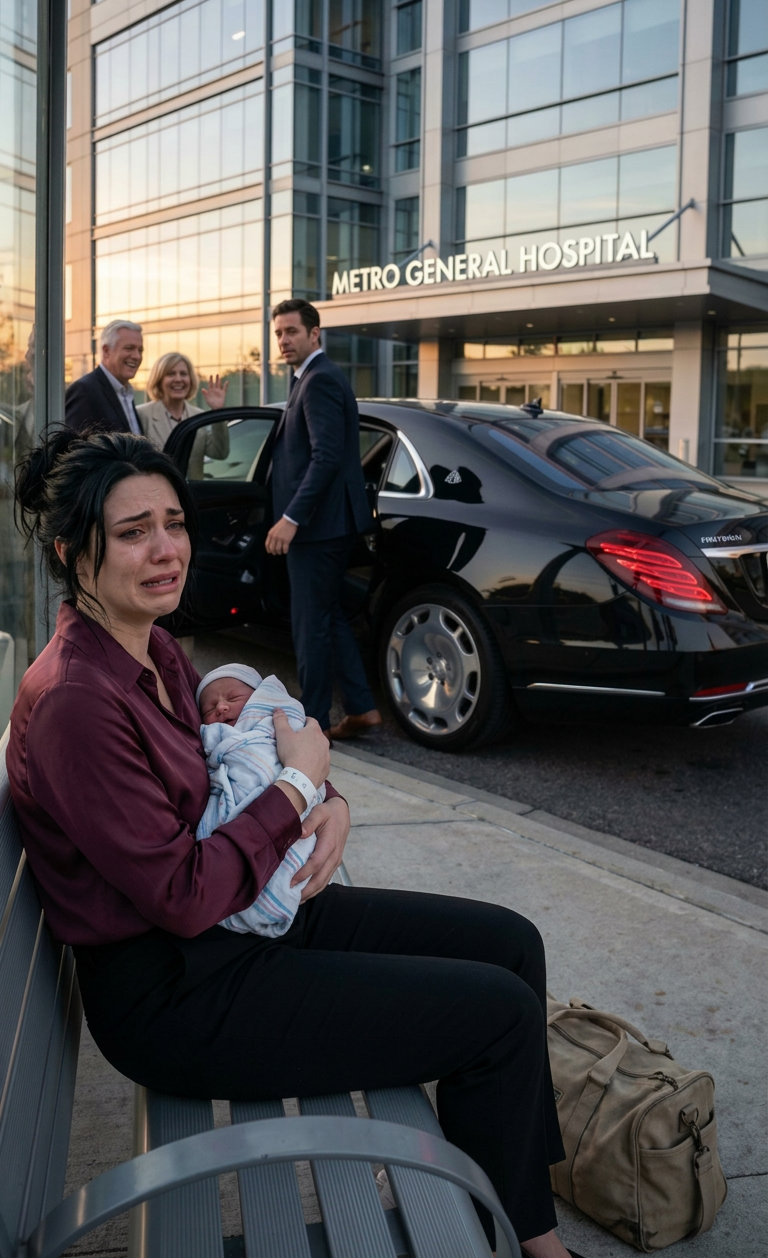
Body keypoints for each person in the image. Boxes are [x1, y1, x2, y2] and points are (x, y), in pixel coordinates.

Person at [8, 426, 577, 1258]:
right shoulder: (76, 701)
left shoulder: (151, 646)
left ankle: (502, 1201)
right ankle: (536, 1246)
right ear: (71, 551)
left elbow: (253, 750)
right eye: (133, 533)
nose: (167, 549)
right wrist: (302, 787)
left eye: (175, 521)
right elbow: (184, 893)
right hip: (180, 994)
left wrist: (330, 799)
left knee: (510, 944)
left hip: (239, 927)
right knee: (501, 1018)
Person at [265, 299, 382, 741]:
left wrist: (292, 517)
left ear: (315, 334)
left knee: (309, 626)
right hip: (328, 525)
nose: (283, 340)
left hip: (317, 528)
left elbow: (327, 456)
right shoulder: (311, 379)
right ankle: (361, 707)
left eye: (291, 332)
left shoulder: (319, 380)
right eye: (279, 333)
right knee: (327, 617)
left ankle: (310, 725)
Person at [195, 662, 325, 937]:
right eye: (209, 708)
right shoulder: (221, 736)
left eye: (233, 698)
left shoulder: (272, 724)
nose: (220, 708)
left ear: (259, 699)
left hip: (286, 815)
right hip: (235, 860)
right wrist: (301, 781)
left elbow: (306, 758)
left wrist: (334, 802)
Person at [136, 351, 230, 478]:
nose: (178, 379)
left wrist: (218, 412)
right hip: (156, 494)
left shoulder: (199, 417)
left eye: (183, 374)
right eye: (171, 374)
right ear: (159, 380)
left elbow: (220, 453)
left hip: (191, 495)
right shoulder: (142, 414)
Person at [65, 320, 144, 434]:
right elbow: (73, 447)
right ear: (106, 351)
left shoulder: (126, 393)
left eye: (140, 350)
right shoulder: (84, 391)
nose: (137, 356)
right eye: (129, 348)